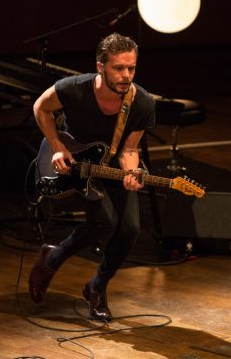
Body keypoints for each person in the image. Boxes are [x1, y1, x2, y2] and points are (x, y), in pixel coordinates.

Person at [28, 32, 155, 321]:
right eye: (118, 68)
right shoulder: (74, 88)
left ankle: (96, 287)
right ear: (100, 67)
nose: (126, 76)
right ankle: (52, 258)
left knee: (130, 228)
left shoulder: (142, 102)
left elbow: (130, 148)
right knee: (105, 222)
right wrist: (58, 147)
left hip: (109, 166)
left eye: (131, 68)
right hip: (75, 163)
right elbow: (40, 108)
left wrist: (132, 171)